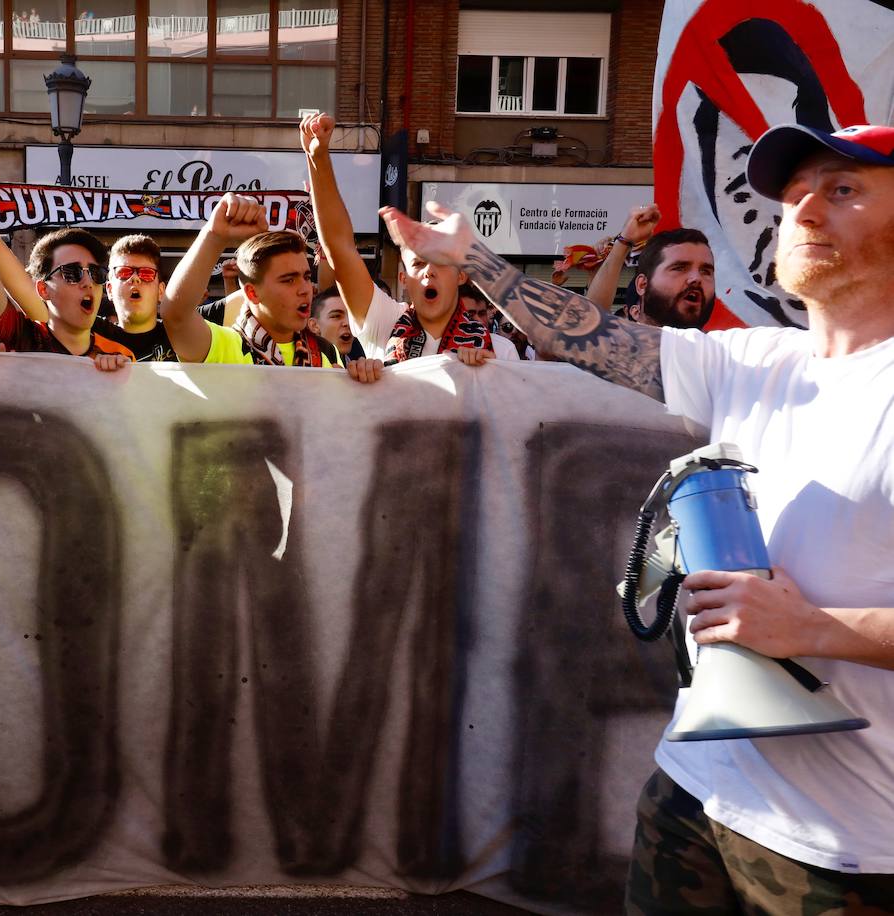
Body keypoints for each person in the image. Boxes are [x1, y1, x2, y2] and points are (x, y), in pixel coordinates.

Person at [381, 121, 894, 914]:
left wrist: (816, 628)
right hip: (695, 792)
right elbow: (599, 340)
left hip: (847, 844)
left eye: (843, 189)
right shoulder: (758, 359)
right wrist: (473, 261)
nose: (804, 212)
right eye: (793, 196)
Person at [301, 112, 516, 365]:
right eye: (418, 264)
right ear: (403, 278)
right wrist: (317, 157)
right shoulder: (385, 322)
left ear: (461, 275)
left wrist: (488, 374)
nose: (428, 272)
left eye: (440, 260)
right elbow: (340, 247)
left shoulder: (502, 353)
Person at [159, 193, 382, 382]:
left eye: (306, 276)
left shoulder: (325, 351)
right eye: (289, 279)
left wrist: (361, 378)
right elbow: (175, 314)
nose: (305, 289)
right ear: (252, 293)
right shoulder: (224, 345)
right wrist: (213, 236)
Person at [0, 140, 131, 371]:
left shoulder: (120, 354)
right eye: (71, 273)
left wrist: (119, 379)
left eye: (96, 273)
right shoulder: (20, 338)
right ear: (43, 289)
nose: (87, 282)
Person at [100, 234, 177, 361]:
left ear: (161, 290)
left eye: (146, 273)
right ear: (109, 289)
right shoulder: (90, 335)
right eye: (123, 272)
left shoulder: (180, 333)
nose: (135, 278)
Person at [306, 286, 356, 358]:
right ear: (314, 326)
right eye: (336, 316)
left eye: (352, 317)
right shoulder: (298, 365)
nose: (348, 323)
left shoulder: (361, 365)